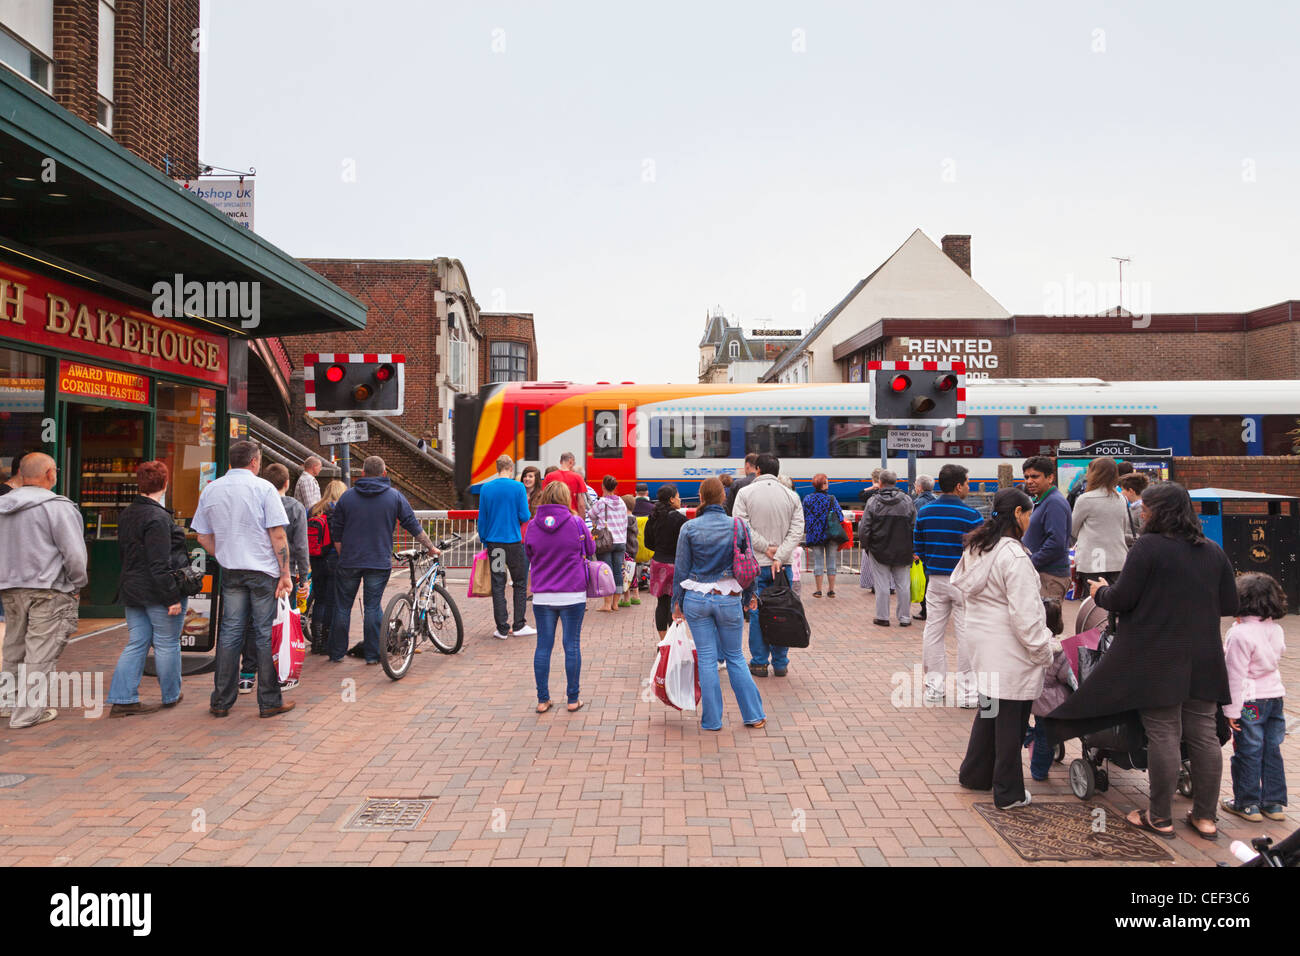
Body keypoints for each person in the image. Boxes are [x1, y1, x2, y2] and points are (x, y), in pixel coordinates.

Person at [1043, 482, 1238, 841]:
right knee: (1204, 736)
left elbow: (1122, 598)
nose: (1142, 513)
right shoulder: (1212, 551)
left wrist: (1099, 591)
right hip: (1204, 656)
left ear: (1160, 511)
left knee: (1164, 732)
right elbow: (1229, 604)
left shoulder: (1149, 547)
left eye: (1146, 507)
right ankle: (1206, 818)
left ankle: (1159, 817)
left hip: (1157, 657)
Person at [952, 487, 1057, 810]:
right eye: (1028, 514)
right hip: (1011, 652)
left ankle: (975, 773)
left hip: (982, 643)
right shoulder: (1014, 556)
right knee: (1010, 724)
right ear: (1017, 514)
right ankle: (1008, 792)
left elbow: (961, 587)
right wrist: (1044, 651)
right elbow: (1026, 616)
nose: (1030, 520)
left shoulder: (978, 547)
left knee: (990, 713)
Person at [191, 441, 295, 719]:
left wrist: (224, 553)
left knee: (230, 633)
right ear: (254, 462)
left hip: (232, 570)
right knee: (263, 634)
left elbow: (202, 536)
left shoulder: (211, 489)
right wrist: (285, 574)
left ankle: (221, 701)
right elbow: (278, 535)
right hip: (263, 571)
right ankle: (270, 700)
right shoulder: (264, 489)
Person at [0, 453, 88, 728]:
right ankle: (27, 714)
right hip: (48, 589)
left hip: (10, 587)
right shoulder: (58, 507)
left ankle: (6, 702)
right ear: (50, 473)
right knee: (40, 653)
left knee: (13, 647)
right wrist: (77, 583)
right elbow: (74, 554)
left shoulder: (2, 505)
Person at [673, 477, 766, 730]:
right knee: (735, 656)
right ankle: (754, 715)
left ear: (701, 497)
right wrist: (751, 596)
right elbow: (749, 564)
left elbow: (681, 569)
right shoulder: (737, 525)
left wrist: (676, 603)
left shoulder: (689, 528)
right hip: (729, 597)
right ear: (723, 498)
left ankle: (712, 720)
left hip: (697, 597)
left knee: (706, 659)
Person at [329, 456, 438, 664]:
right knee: (372, 607)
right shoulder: (394, 497)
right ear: (384, 474)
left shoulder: (347, 497)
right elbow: (412, 525)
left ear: (362, 473)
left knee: (342, 607)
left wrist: (344, 553)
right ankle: (372, 655)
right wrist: (430, 547)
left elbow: (337, 531)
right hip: (378, 561)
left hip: (349, 560)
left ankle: (336, 653)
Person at [107, 460, 189, 716]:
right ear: (164, 484)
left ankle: (122, 698)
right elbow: (159, 562)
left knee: (137, 642)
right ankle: (170, 694)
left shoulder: (128, 513)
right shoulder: (157, 517)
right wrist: (171, 597)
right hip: (156, 590)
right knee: (166, 643)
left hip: (132, 587)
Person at [914, 464, 985, 706]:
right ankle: (969, 694)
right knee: (966, 635)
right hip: (964, 581)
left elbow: (919, 548)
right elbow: (980, 551)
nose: (969, 486)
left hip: (935, 580)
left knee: (933, 631)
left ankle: (934, 688)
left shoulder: (925, 513)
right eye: (967, 482)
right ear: (958, 486)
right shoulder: (972, 516)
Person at [1221, 573, 1288, 823]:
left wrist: (1231, 711)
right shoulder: (1276, 628)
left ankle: (1247, 803)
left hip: (1250, 702)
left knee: (1249, 749)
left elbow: (1235, 675)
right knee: (1272, 749)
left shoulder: (1239, 633)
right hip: (1275, 698)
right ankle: (1273, 803)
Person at [238, 462, 310, 692]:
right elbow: (300, 545)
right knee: (283, 622)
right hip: (282, 573)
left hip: (254, 568)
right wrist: (304, 576)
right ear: (287, 483)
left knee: (252, 622)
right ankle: (280, 671)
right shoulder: (295, 507)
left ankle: (247, 674)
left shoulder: (254, 503)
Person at [524, 481, 595, 713]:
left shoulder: (534, 525)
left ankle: (542, 699)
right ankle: (573, 699)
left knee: (543, 646)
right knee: (571, 645)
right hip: (573, 592)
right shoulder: (576, 522)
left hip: (543, 594)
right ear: (566, 498)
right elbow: (591, 549)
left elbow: (529, 553)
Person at [733, 453, 804, 677]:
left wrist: (766, 548)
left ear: (757, 470)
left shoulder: (745, 493)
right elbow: (797, 530)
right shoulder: (791, 496)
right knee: (783, 611)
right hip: (782, 566)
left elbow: (741, 526)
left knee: (756, 613)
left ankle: (759, 663)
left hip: (755, 564)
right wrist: (779, 555)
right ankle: (781, 663)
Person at [478, 454, 535, 641]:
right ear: (511, 468)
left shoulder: (486, 489)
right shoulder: (518, 487)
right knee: (519, 583)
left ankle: (502, 628)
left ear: (497, 468)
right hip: (514, 544)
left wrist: (486, 541)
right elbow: (525, 516)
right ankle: (519, 625)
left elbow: (483, 519)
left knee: (498, 584)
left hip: (495, 545)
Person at [859, 469, 916, 627]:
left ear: (881, 483)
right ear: (895, 482)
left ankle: (883, 617)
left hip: (879, 548)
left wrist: (866, 545)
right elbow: (914, 526)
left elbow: (864, 527)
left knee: (882, 584)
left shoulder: (873, 501)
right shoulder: (907, 500)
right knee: (903, 584)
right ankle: (905, 617)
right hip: (903, 549)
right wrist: (913, 547)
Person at [1070, 457, 1131, 593]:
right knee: (1116, 602)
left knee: (1094, 605)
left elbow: (1072, 529)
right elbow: (1124, 527)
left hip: (1092, 560)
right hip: (1117, 558)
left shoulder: (1085, 499)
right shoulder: (1121, 498)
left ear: (1095, 474)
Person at [1021, 456, 1072, 599]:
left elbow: (1056, 542)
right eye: (1026, 477)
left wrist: (1030, 563)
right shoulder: (1044, 500)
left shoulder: (1054, 502)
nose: (1029, 481)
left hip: (1050, 577)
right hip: (1043, 574)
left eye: (1035, 476)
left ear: (1050, 478)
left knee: (1048, 621)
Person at [307, 480, 346, 654]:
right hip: (333, 559)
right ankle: (326, 642)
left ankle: (316, 641)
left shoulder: (314, 509)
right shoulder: (340, 510)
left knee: (319, 600)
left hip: (315, 559)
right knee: (331, 602)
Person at [645, 484, 686, 639]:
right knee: (675, 604)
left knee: (662, 603)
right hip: (675, 565)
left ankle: (663, 642)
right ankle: (674, 640)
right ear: (671, 499)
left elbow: (648, 543)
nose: (679, 499)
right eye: (677, 496)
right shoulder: (680, 519)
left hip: (658, 563)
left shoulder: (653, 517)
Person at [589, 475, 629, 612]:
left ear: (603, 487)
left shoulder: (601, 503)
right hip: (620, 541)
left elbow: (590, 515)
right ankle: (615, 604)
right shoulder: (622, 502)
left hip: (606, 541)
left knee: (607, 571)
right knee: (618, 571)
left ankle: (607, 604)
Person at [801, 473, 845, 599]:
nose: (828, 484)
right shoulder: (831, 499)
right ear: (823, 485)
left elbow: (803, 516)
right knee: (831, 562)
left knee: (818, 562)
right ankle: (831, 591)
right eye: (826, 482)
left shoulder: (807, 499)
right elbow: (840, 516)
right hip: (831, 534)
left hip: (815, 535)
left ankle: (818, 590)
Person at [858, 468, 884, 591]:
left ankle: (874, 585)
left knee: (873, 562)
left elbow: (860, 494)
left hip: (874, 531)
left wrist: (871, 488)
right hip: (887, 530)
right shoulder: (893, 493)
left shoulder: (871, 495)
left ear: (874, 480)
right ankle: (889, 585)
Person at [542, 452, 588, 517]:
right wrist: (581, 522)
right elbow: (581, 505)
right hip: (571, 517)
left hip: (553, 517)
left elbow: (544, 499)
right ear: (571, 462)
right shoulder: (578, 478)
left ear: (560, 462)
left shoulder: (549, 476)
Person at [619, 494, 640, 608]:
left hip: (626, 550)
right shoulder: (634, 518)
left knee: (626, 574)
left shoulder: (624, 520)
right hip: (633, 549)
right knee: (633, 572)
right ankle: (636, 596)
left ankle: (626, 598)